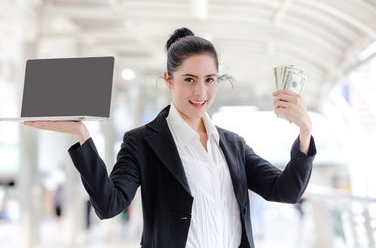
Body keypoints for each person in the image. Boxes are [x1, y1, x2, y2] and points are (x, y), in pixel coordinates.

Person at [24, 27, 316, 248]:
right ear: (168, 80)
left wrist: (305, 129)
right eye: (189, 79)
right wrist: (81, 134)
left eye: (209, 79)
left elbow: (285, 191)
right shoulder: (143, 142)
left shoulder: (231, 145)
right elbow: (109, 204)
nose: (200, 92)